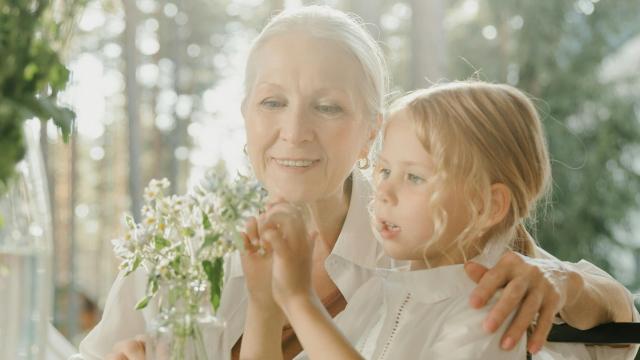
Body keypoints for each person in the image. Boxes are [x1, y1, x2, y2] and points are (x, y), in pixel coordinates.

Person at [85, 6, 637, 360]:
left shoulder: (424, 233)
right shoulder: (185, 246)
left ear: (373, 129)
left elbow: (615, 339)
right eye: (272, 102)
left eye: (327, 107)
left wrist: (568, 284)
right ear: (246, 115)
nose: (293, 132)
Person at [240, 81, 639, 359]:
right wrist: (264, 299)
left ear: (487, 206)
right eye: (383, 171)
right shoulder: (380, 294)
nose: (383, 192)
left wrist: (299, 301)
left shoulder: (487, 314)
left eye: (414, 177)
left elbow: (617, 317)